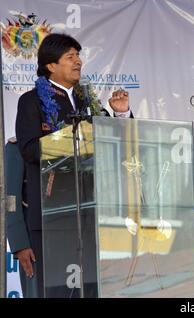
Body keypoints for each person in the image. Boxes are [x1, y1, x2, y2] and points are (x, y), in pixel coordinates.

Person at [12, 33, 132, 297]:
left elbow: (113, 143)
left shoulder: (88, 101)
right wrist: (73, 140)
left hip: (90, 213)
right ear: (51, 65)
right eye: (70, 57)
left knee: (91, 289)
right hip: (50, 215)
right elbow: (30, 150)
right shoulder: (31, 101)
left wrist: (120, 114)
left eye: (78, 56)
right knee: (55, 290)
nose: (78, 61)